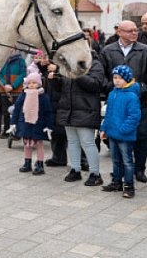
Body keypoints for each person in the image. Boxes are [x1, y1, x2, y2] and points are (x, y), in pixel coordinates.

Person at [99, 19, 147, 183]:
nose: (135, 33)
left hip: (140, 101)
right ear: (119, 32)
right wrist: (109, 88)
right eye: (130, 30)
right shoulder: (108, 50)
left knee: (141, 136)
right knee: (117, 137)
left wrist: (141, 88)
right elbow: (102, 74)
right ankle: (118, 174)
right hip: (116, 100)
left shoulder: (144, 50)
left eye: (136, 30)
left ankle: (139, 169)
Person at [51, 50, 105, 186]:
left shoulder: (95, 64)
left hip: (85, 109)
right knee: (72, 142)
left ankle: (95, 174)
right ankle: (75, 170)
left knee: (87, 143)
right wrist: (55, 78)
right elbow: (60, 88)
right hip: (68, 109)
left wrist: (77, 73)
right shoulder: (68, 64)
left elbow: (95, 84)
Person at [100, 65, 141, 198]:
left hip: (124, 136)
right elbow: (109, 114)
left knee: (127, 161)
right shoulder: (113, 94)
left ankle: (129, 186)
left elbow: (134, 116)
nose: (116, 81)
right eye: (115, 78)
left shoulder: (131, 96)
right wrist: (104, 128)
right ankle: (116, 182)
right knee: (116, 160)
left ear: (127, 79)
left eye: (120, 78)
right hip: (112, 134)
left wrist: (123, 129)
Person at [10, 71, 54, 175]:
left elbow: (48, 112)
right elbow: (17, 109)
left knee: (39, 143)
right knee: (26, 143)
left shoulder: (43, 96)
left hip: (39, 123)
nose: (31, 85)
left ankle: (39, 164)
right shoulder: (23, 94)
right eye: (29, 83)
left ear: (39, 84)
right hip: (26, 123)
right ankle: (27, 162)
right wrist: (13, 122)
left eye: (34, 83)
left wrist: (49, 125)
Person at [0, 51, 27, 137]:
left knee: (17, 111)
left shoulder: (20, 60)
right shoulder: (2, 61)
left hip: (17, 90)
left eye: (12, 49)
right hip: (4, 90)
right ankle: (6, 131)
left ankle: (17, 132)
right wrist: (5, 85)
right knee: (5, 112)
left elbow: (23, 74)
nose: (10, 51)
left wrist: (13, 85)